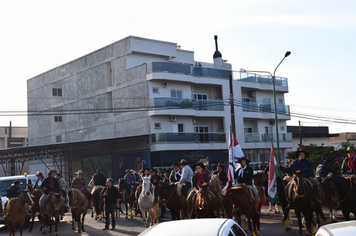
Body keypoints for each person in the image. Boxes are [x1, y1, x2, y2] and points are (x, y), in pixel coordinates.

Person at [279, 149, 325, 220]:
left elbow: (309, 172)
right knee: (287, 186)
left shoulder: (308, 163)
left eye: (302, 155)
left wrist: (302, 176)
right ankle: (289, 201)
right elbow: (289, 169)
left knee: (315, 182)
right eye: (300, 155)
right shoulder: (295, 162)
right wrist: (280, 167)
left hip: (306, 177)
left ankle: (315, 197)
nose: (301, 156)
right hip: (296, 178)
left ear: (305, 156)